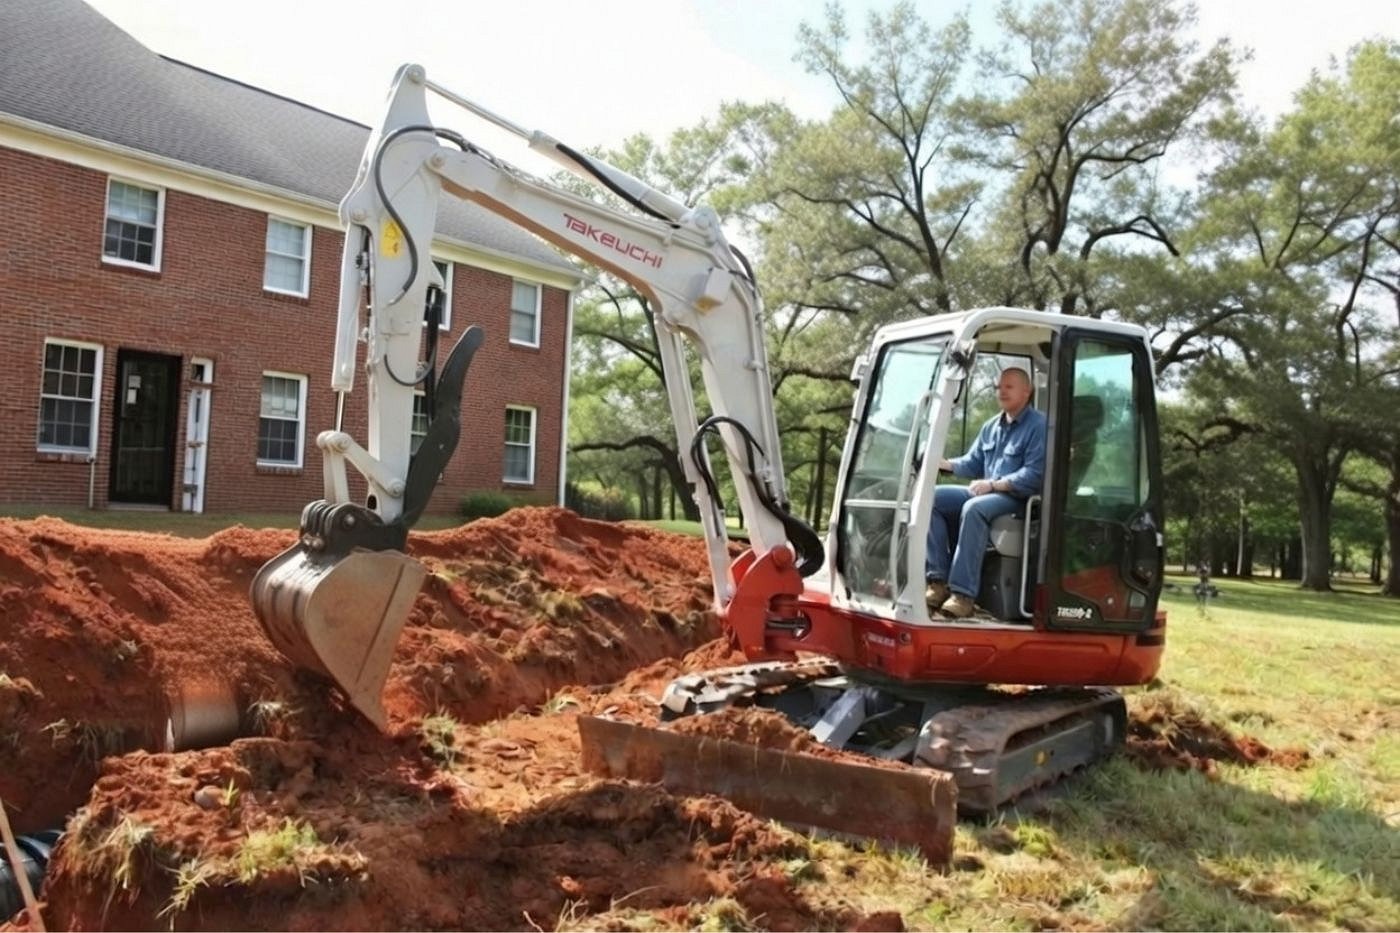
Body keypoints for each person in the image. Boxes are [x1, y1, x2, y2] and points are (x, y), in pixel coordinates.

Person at [926, 367, 1047, 618]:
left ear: (1027, 391)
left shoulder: (1040, 426)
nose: (1001, 391)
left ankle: (963, 595)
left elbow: (1033, 475)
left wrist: (993, 485)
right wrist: (944, 463)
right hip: (988, 492)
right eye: (998, 387)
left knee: (974, 508)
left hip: (1018, 500)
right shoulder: (991, 426)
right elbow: (973, 462)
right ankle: (937, 582)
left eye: (1009, 386)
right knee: (931, 498)